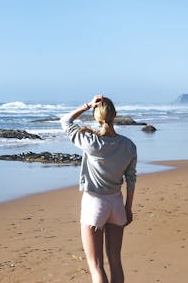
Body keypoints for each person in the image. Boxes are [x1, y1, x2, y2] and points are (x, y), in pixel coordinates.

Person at [60, 95, 137, 283]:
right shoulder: (128, 145)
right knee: (115, 262)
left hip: (94, 202)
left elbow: (65, 120)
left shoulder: (90, 141)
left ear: (96, 117)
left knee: (96, 266)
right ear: (115, 115)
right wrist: (128, 208)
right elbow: (131, 179)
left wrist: (87, 105)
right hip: (117, 203)